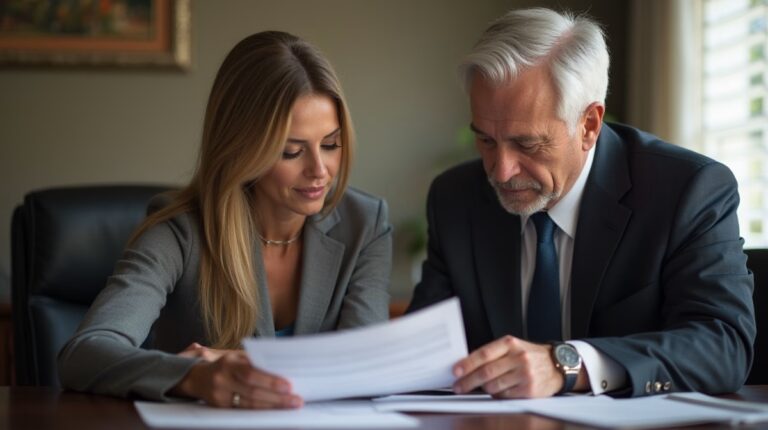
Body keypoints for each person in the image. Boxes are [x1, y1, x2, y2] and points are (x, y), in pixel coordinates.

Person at [408, 8, 756, 398]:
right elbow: (423, 352)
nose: (502, 172)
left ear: (589, 124)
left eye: (527, 144)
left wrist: (569, 364)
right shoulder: (455, 199)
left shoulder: (686, 191)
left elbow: (723, 346)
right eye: (486, 140)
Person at [58, 31, 392, 409]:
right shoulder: (180, 232)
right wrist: (194, 377)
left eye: (331, 144)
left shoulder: (365, 224)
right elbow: (84, 353)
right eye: (291, 151)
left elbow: (366, 364)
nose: (320, 170)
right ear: (243, 149)